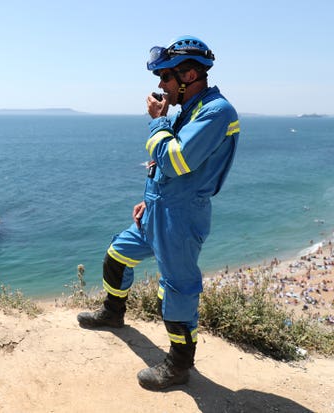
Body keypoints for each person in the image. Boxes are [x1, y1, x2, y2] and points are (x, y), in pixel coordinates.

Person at [77, 35, 240, 390]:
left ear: (190, 75)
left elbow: (175, 159)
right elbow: (162, 167)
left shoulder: (216, 112)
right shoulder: (189, 111)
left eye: (166, 77)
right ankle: (112, 313)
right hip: (158, 208)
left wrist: (156, 122)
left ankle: (179, 366)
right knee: (117, 254)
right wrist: (147, 199)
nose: (161, 86)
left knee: (178, 289)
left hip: (181, 216)